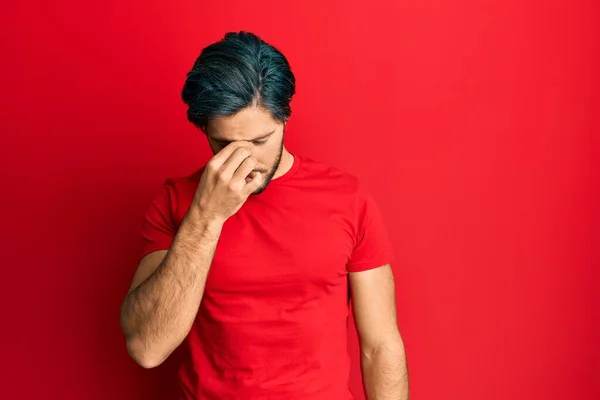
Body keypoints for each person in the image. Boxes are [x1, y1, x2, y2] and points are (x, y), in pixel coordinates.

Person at [120, 31, 409, 400]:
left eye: (259, 142)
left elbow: (381, 346)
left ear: (285, 117)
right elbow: (147, 348)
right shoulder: (176, 202)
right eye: (224, 145)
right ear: (204, 128)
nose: (247, 162)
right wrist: (206, 217)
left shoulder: (348, 199)